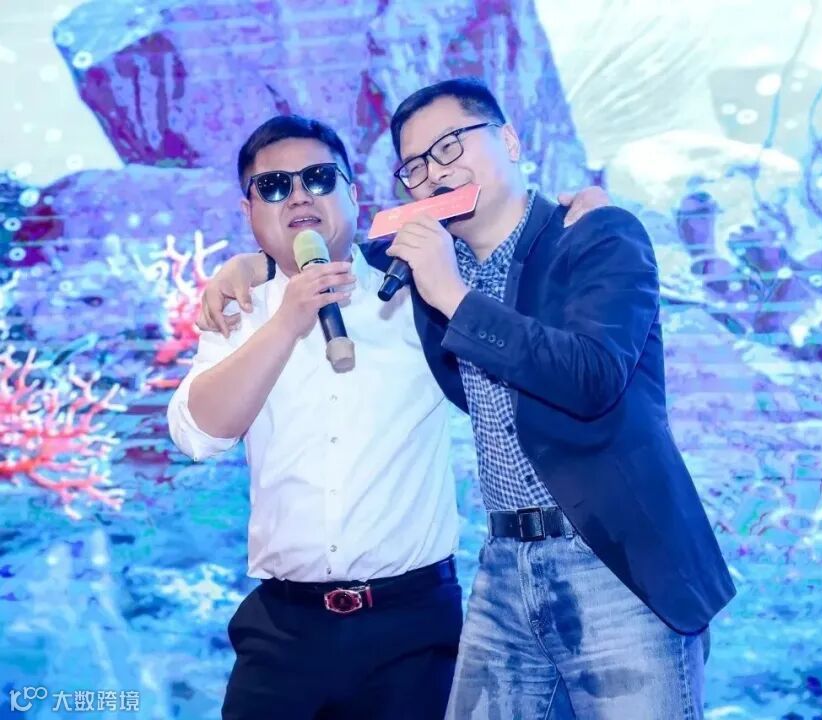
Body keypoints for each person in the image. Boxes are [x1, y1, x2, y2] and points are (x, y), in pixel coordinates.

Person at [200, 77, 736, 718]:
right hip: (504, 564)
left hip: (614, 559)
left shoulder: (594, 236)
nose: (434, 174)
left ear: (509, 140)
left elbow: (591, 379)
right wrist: (251, 266)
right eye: (415, 166)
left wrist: (452, 295)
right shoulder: (425, 264)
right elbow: (326, 250)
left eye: (451, 146)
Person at [167, 115, 464, 720]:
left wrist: (582, 203)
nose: (299, 196)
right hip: (284, 629)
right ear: (250, 210)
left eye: (319, 178)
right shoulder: (240, 307)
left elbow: (499, 222)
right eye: (274, 186)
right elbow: (198, 435)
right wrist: (287, 320)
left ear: (353, 194)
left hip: (412, 628)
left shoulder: (420, 290)